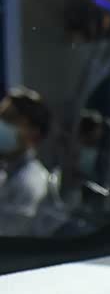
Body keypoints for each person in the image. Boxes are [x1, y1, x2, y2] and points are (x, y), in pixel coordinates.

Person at [0, 88, 54, 239]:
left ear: (33, 133)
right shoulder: (5, 173)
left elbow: (11, 239)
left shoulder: (33, 183)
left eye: (9, 119)